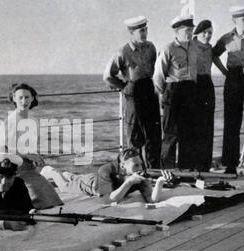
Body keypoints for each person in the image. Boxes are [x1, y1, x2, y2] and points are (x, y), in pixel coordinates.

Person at [212, 5, 244, 177]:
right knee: (231, 123)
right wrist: (224, 72)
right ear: (235, 21)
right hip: (233, 80)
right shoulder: (226, 38)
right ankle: (231, 165)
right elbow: (214, 54)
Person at [103, 16, 162, 168]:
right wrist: (124, 87)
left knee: (153, 135)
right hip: (133, 94)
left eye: (146, 30)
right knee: (135, 136)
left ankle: (153, 170)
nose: (144, 33)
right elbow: (108, 76)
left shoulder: (151, 48)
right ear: (131, 32)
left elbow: (155, 70)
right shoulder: (123, 51)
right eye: (141, 31)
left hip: (149, 91)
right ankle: (135, 171)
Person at [0, 83, 63, 209]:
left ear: (32, 98)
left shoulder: (33, 121)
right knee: (41, 202)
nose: (24, 101)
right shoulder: (10, 122)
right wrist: (28, 156)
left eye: (27, 97)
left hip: (27, 167)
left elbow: (29, 146)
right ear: (14, 99)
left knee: (54, 201)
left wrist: (35, 157)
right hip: (11, 168)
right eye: (20, 97)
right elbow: (6, 150)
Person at [41, 148, 172, 204]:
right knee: (65, 186)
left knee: (73, 177)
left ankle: (68, 174)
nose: (140, 168)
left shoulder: (139, 174)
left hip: (101, 181)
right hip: (92, 184)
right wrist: (129, 183)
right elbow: (107, 200)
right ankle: (52, 171)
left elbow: (151, 200)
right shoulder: (107, 169)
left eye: (140, 164)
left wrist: (160, 182)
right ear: (122, 166)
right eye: (135, 165)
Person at [153, 14, 199, 170]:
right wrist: (163, 96)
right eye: (187, 30)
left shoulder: (194, 47)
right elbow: (158, 76)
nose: (190, 32)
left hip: (191, 91)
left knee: (188, 133)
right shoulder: (168, 48)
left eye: (191, 29)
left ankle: (186, 169)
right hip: (173, 91)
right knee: (171, 134)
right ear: (177, 31)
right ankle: (168, 170)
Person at [193, 20, 216, 171]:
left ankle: (205, 165)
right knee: (194, 126)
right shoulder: (190, 45)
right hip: (193, 86)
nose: (207, 36)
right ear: (197, 33)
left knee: (208, 126)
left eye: (210, 33)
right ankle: (194, 165)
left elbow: (216, 59)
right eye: (204, 33)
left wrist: (226, 72)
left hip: (207, 84)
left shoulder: (210, 48)